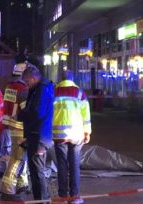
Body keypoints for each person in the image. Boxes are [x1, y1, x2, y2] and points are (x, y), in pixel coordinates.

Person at [52, 71, 91, 203]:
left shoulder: (54, 92)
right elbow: (86, 115)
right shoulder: (80, 93)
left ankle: (62, 196)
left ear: (60, 79)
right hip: (76, 135)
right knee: (74, 165)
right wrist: (87, 132)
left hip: (58, 136)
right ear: (72, 79)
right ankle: (74, 197)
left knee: (61, 166)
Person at [19, 64, 54, 202]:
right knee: (35, 170)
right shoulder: (41, 89)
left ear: (33, 78)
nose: (26, 85)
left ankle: (42, 200)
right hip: (38, 134)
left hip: (39, 136)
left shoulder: (41, 90)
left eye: (27, 82)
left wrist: (22, 114)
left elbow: (37, 112)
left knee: (37, 170)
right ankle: (39, 198)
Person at [0, 63, 31, 200]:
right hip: (20, 126)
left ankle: (21, 184)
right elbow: (25, 110)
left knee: (20, 156)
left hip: (12, 125)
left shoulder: (10, 86)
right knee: (18, 158)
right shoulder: (23, 89)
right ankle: (7, 189)